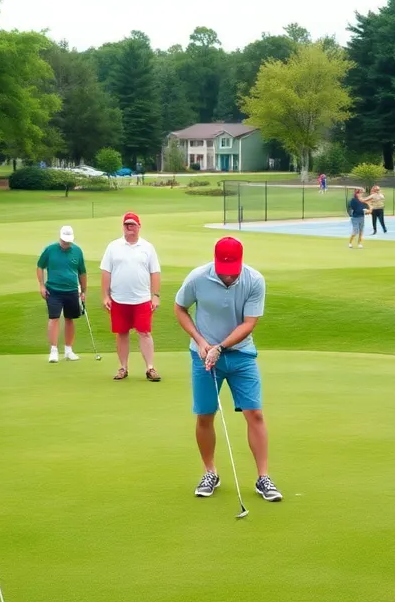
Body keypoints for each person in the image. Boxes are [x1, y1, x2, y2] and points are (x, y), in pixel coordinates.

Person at [174, 236, 282, 503]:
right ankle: (210, 472)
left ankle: (263, 478)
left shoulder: (254, 280)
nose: (229, 276)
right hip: (203, 356)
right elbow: (180, 308)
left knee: (255, 413)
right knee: (205, 415)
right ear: (215, 261)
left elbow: (249, 323)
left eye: (233, 270)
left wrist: (219, 347)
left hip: (241, 355)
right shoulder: (198, 278)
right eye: (224, 270)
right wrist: (201, 342)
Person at [100, 212, 162, 381]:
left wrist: (155, 296)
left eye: (133, 225)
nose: (130, 228)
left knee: (145, 332)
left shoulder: (147, 248)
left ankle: (150, 368)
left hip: (141, 298)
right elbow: (106, 272)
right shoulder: (113, 246)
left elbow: (155, 273)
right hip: (119, 299)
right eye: (127, 225)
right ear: (123, 227)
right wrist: (105, 296)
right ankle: (123, 367)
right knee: (121, 333)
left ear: (139, 227)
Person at [37, 224, 87, 363]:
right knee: (54, 318)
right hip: (53, 290)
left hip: (72, 290)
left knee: (70, 319)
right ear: (60, 237)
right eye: (64, 240)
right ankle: (53, 351)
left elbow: (82, 272)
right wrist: (41, 285)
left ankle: (68, 350)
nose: (66, 243)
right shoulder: (50, 250)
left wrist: (83, 291)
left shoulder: (77, 251)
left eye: (68, 241)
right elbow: (40, 266)